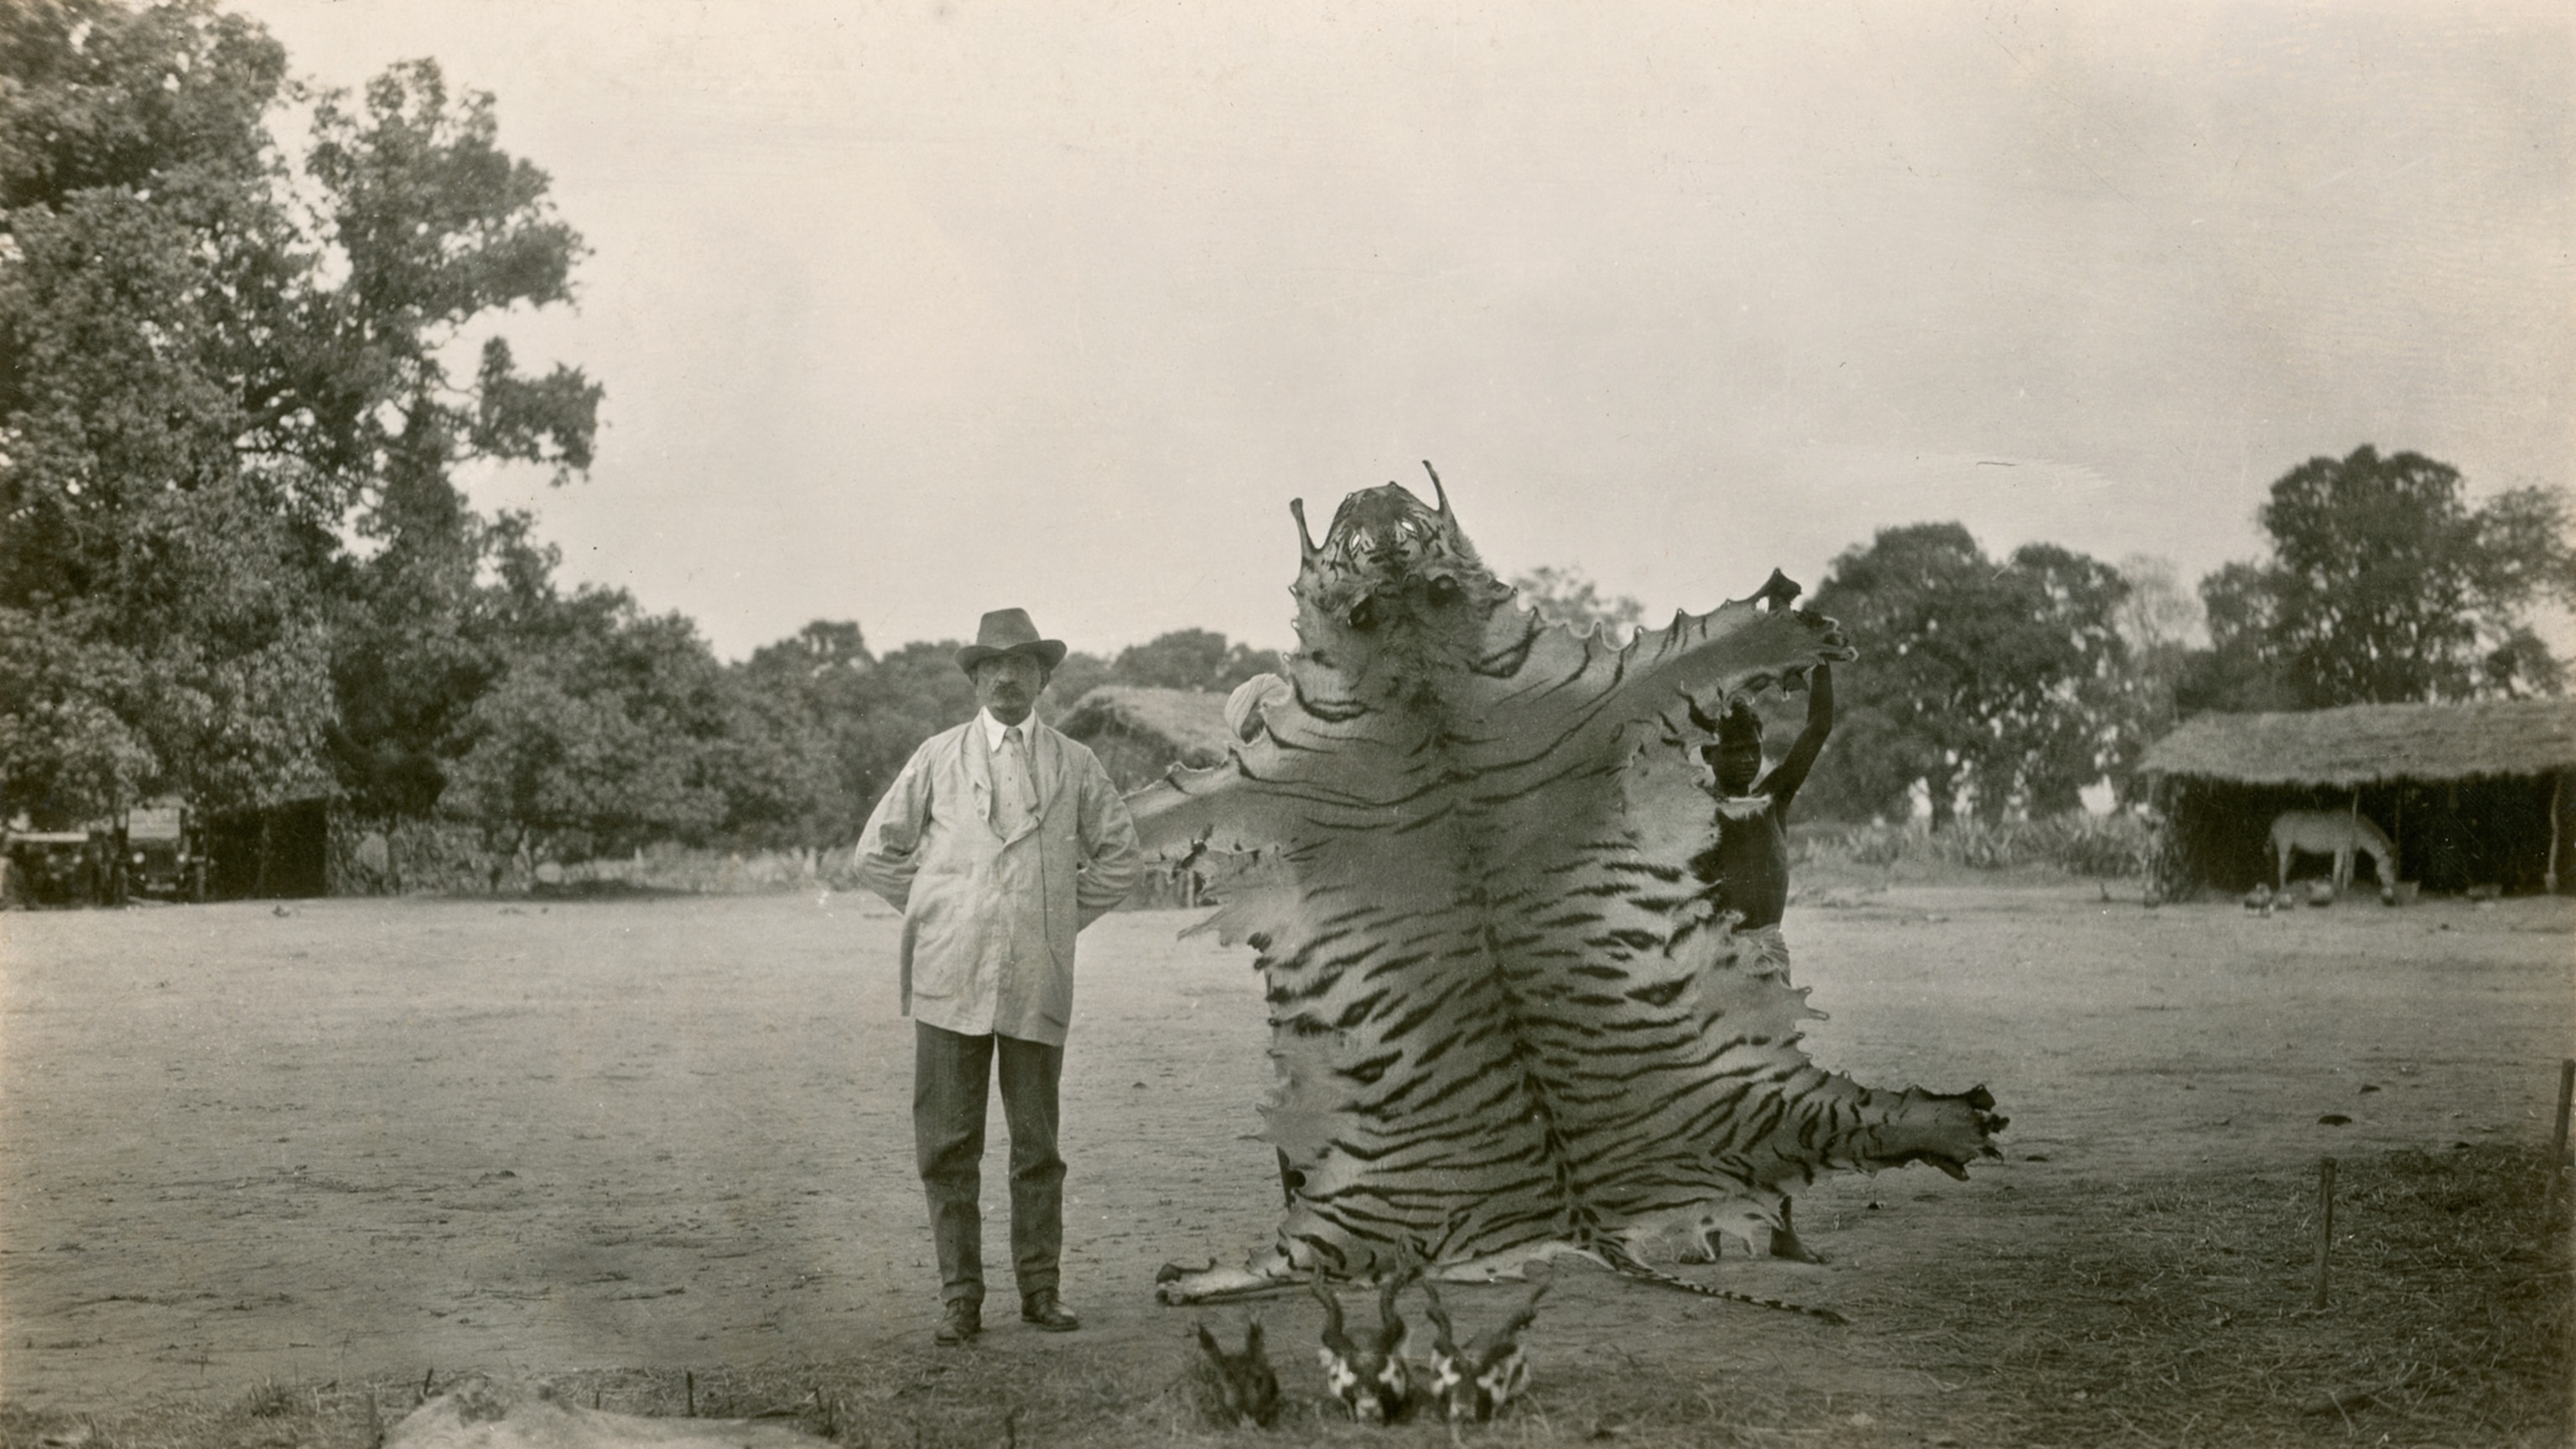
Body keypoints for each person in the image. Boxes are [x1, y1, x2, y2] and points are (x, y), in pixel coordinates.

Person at [854, 608, 1144, 1346]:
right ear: (976, 678)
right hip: (949, 976)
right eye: (992, 667)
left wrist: (1055, 919)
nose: (1008, 679)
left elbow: (1122, 858)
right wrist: (938, 911)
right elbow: (876, 854)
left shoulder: (1076, 763)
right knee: (949, 1146)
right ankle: (960, 1298)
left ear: (1044, 677)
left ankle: (1041, 1291)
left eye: (1023, 666)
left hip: (1036, 976)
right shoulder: (937, 757)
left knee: (1037, 1145)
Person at [1690, 662, 1833, 1262]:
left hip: (1770, 954)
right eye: (1733, 749)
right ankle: (1706, 1233)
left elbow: (1818, 726)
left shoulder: (1776, 798)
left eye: (1752, 748)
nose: (1746, 759)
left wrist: (1819, 656)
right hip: (1713, 958)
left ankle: (1782, 1229)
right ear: (1709, 754)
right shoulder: (1693, 810)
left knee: (1779, 1091)